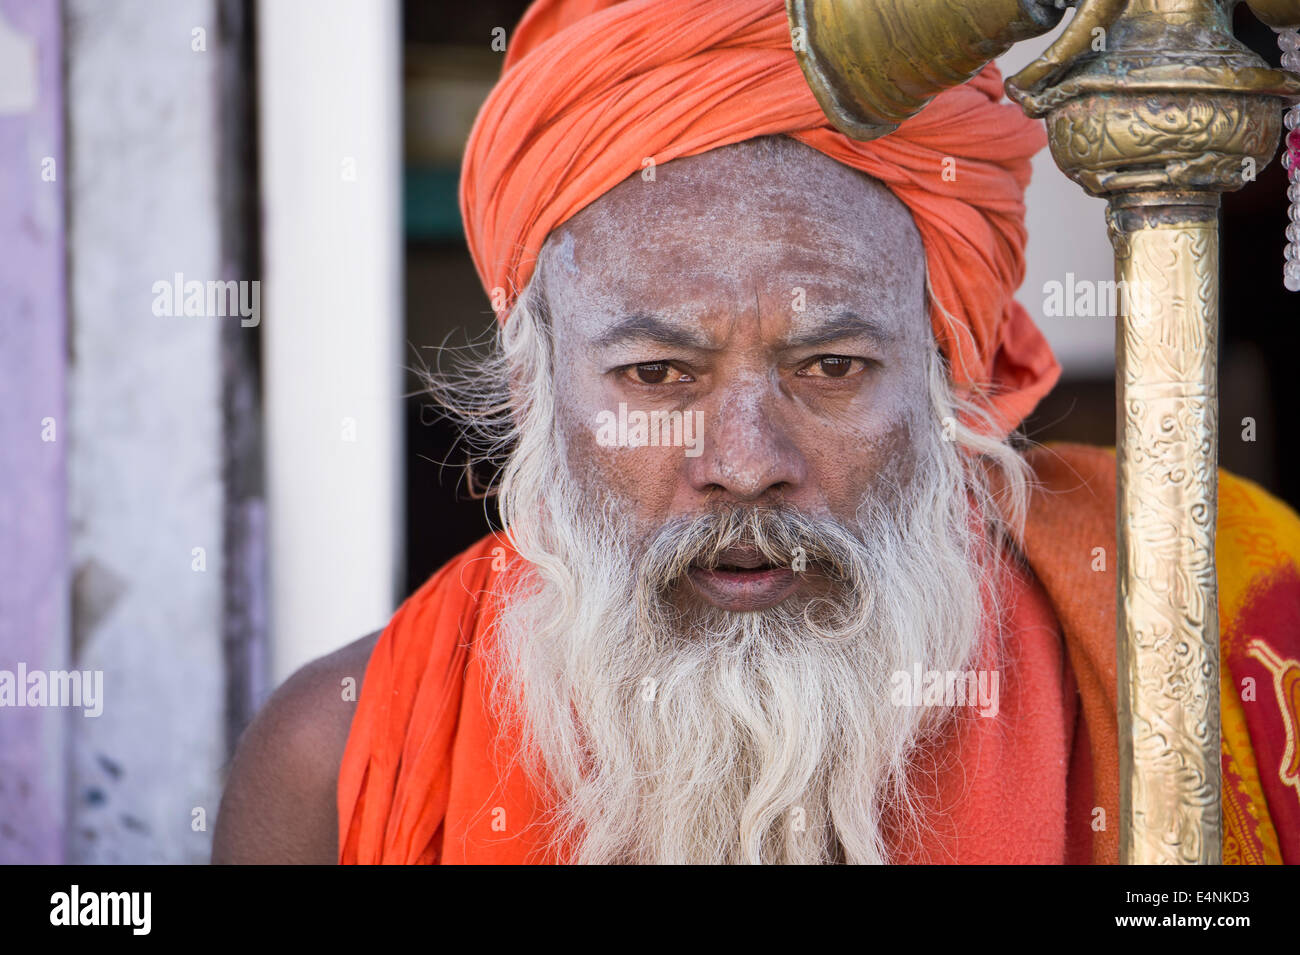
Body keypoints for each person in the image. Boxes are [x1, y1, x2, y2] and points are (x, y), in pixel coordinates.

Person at [212, 0, 1300, 865]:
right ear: (536, 384)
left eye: (829, 368)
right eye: (656, 373)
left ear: (947, 374)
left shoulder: (1209, 618)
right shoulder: (340, 760)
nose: (742, 462)